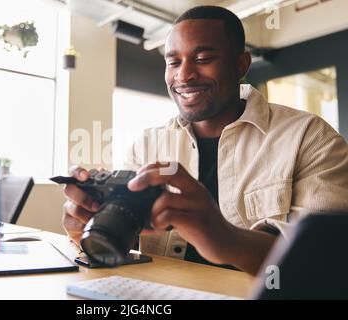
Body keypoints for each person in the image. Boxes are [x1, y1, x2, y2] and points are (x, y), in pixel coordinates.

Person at [61, 6, 348, 276]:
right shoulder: (147, 145)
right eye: (173, 61)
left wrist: (224, 237)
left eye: (202, 59)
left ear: (241, 64)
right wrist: (96, 228)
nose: (183, 75)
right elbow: (127, 248)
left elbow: (320, 259)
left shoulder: (310, 138)